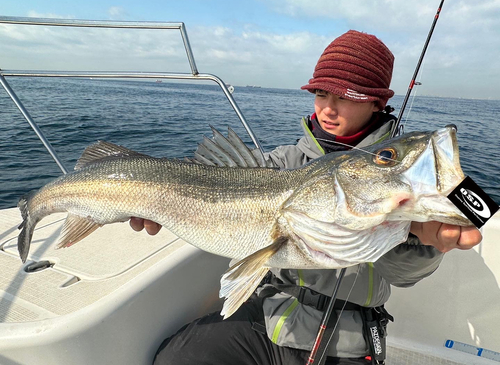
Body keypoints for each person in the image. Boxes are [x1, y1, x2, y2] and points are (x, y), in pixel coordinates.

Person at [130, 30, 483, 365]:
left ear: (376, 102)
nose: (328, 109)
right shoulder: (281, 163)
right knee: (177, 357)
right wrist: (159, 202)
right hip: (270, 313)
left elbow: (404, 274)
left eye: (345, 97)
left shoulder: (398, 178)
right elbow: (210, 186)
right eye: (320, 94)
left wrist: (423, 241)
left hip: (350, 332)